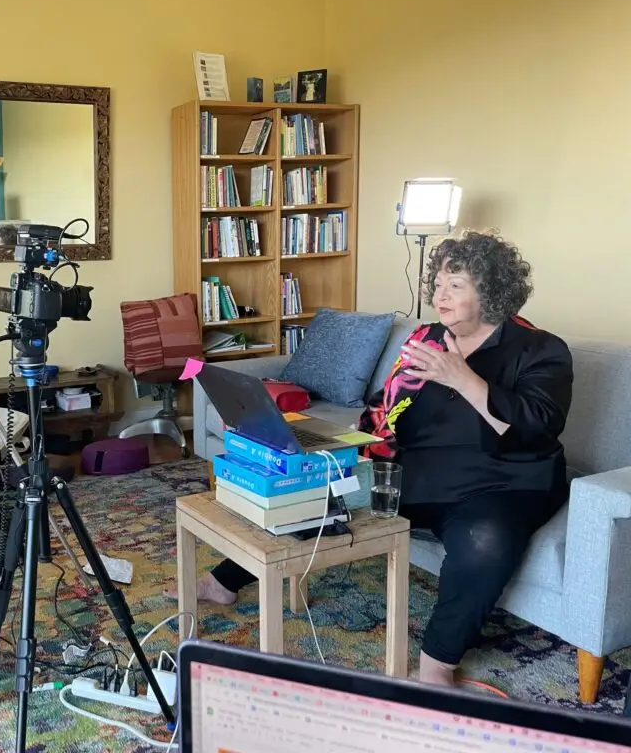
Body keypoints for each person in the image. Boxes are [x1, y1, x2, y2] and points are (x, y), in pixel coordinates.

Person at [189, 230, 573, 688]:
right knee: (310, 488)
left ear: (491, 291)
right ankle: (224, 582)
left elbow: (538, 425)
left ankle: (437, 665)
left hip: (504, 482)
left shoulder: (540, 349)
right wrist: (350, 444)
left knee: (485, 542)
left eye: (456, 285)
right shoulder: (429, 337)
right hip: (418, 470)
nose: (440, 295)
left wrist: (463, 378)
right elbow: (387, 404)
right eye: (438, 283)